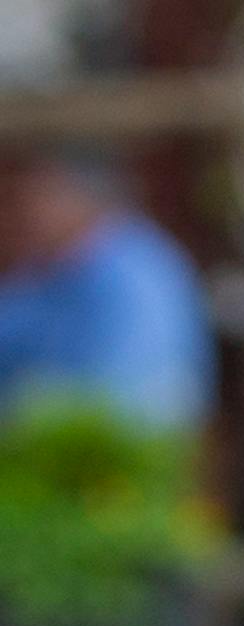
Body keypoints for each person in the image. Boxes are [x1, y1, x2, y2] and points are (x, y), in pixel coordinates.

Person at [0, 152, 214, 427]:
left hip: (119, 454)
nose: (16, 216)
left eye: (30, 199)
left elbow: (117, 401)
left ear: (74, 195)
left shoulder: (137, 274)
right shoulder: (49, 268)